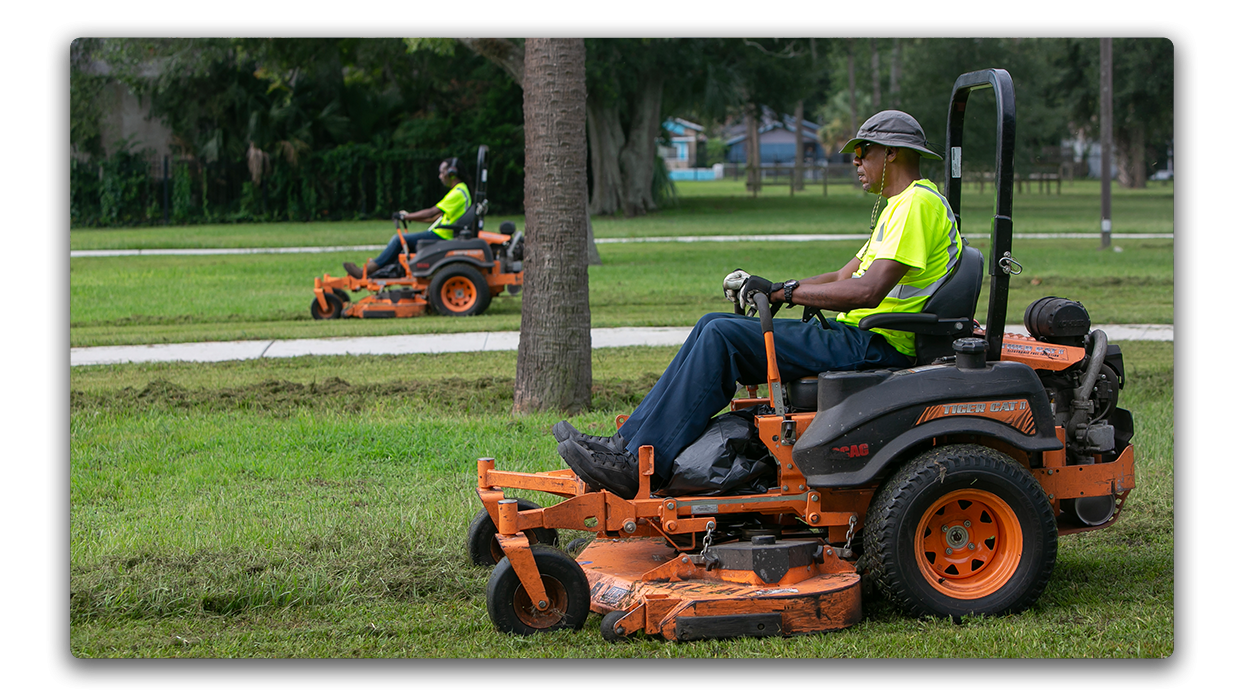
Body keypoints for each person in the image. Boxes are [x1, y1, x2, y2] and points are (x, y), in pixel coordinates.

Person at [555, 110, 964, 500]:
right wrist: (775, 289)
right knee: (711, 323)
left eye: (863, 153)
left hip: (877, 345)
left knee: (721, 336)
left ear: (890, 152)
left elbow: (866, 292)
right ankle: (626, 445)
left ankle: (640, 463)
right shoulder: (899, 207)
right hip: (858, 336)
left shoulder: (917, 204)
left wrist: (786, 294)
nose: (856, 163)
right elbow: (843, 277)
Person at [343, 158, 472, 279]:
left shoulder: (457, 193)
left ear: (452, 174)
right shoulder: (461, 191)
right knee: (403, 243)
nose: (440, 176)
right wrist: (410, 217)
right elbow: (436, 217)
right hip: (444, 233)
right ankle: (380, 269)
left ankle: (367, 271)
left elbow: (431, 212)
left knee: (399, 240)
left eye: (442, 173)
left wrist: (405, 216)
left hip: (444, 236)